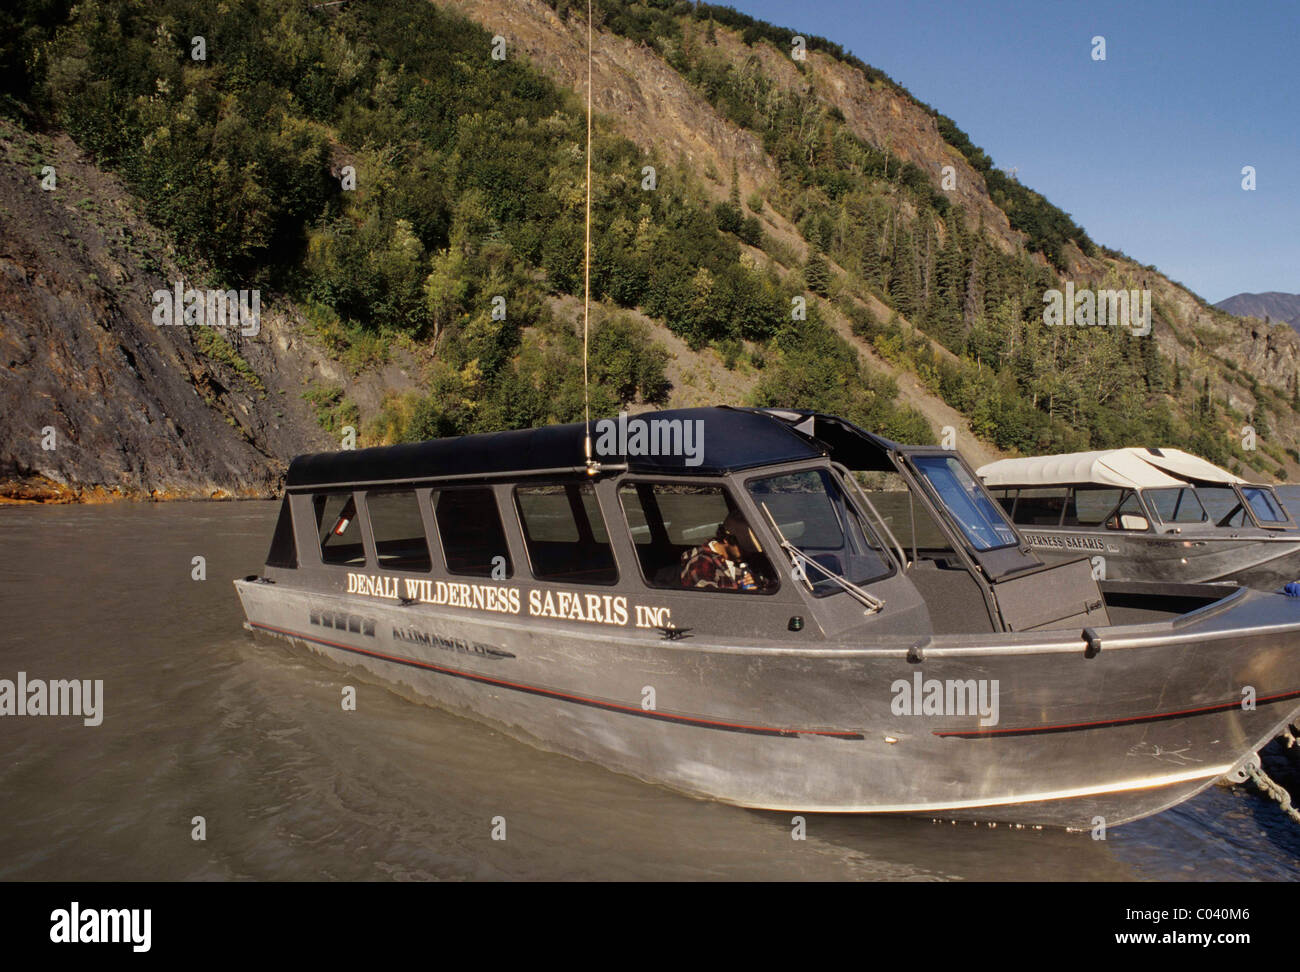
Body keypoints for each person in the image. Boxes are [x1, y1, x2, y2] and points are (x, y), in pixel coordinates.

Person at [679, 511, 770, 592]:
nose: (748, 552)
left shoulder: (743, 558)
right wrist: (744, 593)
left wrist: (759, 582)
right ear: (726, 540)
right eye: (743, 548)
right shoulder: (700, 562)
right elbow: (709, 603)